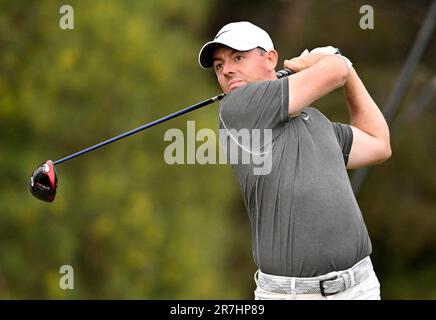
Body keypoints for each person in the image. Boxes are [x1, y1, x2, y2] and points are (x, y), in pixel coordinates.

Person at [198, 21, 391, 300]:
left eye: (238, 57)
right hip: (293, 295)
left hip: (360, 286)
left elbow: (378, 143)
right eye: (219, 65)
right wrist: (319, 62)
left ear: (270, 59)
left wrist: (349, 72)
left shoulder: (316, 122)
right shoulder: (238, 109)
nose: (227, 70)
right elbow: (334, 71)